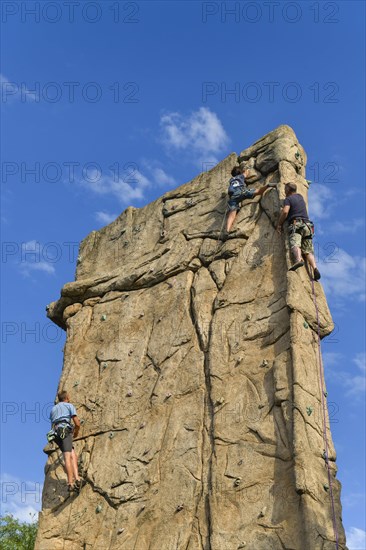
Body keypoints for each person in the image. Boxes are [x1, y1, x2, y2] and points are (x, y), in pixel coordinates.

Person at [276, 182, 321, 281]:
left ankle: (298, 260)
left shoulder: (288, 199)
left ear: (288, 190)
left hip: (297, 225)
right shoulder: (300, 197)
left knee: (295, 243)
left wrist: (279, 224)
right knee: (308, 250)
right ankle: (315, 268)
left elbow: (285, 211)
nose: (284, 191)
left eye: (285, 189)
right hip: (308, 226)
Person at [225, 165, 275, 234]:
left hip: (233, 196)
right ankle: (268, 185)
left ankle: (227, 230)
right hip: (242, 191)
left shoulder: (231, 180)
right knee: (258, 191)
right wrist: (248, 168)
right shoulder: (241, 176)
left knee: (232, 214)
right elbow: (246, 173)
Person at [50, 390, 81, 493]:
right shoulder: (69, 406)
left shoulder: (53, 409)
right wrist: (76, 433)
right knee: (67, 457)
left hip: (56, 434)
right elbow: (77, 423)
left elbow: (53, 423)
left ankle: (77, 479)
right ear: (67, 397)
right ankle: (70, 483)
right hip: (65, 431)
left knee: (72, 454)